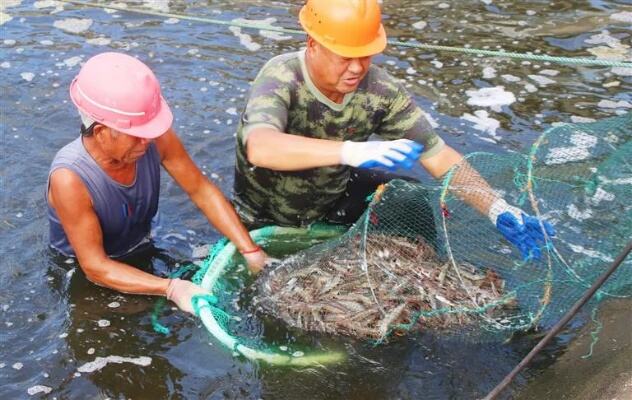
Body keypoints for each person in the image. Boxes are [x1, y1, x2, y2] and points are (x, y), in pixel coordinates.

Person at [233, 0, 554, 260]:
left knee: (408, 194)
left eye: (365, 55)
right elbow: (261, 147)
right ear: (313, 43)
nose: (357, 68)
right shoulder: (281, 76)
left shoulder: (380, 90)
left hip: (330, 202)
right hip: (265, 216)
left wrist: (497, 208)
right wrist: (351, 150)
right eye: (346, 56)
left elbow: (438, 155)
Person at [47, 52, 268, 315]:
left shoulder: (153, 137)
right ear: (101, 132)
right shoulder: (70, 179)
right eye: (137, 135)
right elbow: (95, 266)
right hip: (86, 272)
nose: (147, 141)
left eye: (149, 132)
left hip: (141, 242)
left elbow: (201, 190)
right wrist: (172, 289)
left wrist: (250, 249)